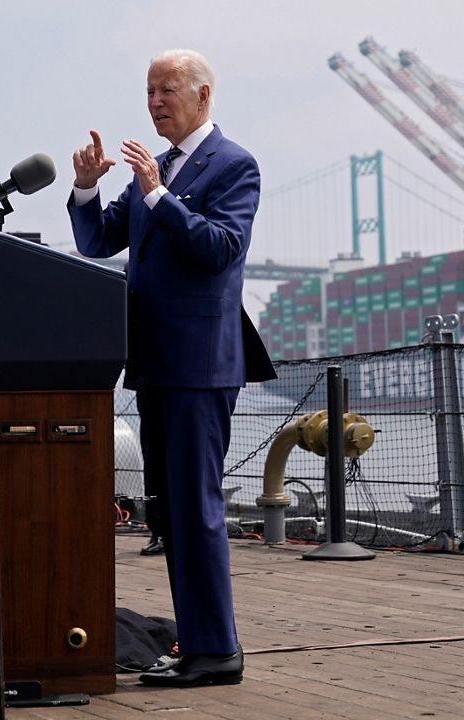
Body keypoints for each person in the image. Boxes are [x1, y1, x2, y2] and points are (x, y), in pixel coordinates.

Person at [67, 49, 275, 688]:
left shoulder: (233, 165)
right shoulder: (147, 174)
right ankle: (197, 643)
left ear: (203, 95)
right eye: (149, 91)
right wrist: (86, 186)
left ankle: (216, 650)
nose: (154, 102)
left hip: (199, 366)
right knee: (169, 511)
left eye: (166, 91)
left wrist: (157, 192)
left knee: (196, 507)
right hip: (154, 363)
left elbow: (219, 249)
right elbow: (98, 241)